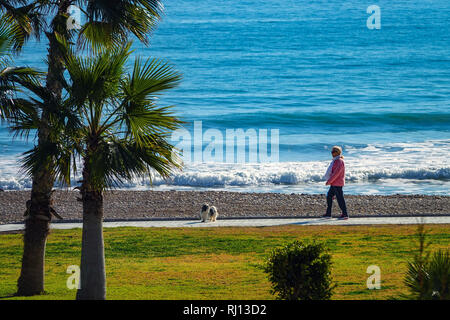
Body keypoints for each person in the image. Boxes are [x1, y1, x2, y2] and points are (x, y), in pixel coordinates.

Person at [322, 146, 348, 220]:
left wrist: (329, 181)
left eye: (333, 152)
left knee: (340, 198)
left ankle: (345, 214)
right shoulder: (335, 161)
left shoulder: (340, 161)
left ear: (338, 152)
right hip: (334, 183)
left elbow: (336, 173)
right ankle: (328, 213)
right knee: (329, 196)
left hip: (337, 183)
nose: (332, 153)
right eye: (331, 152)